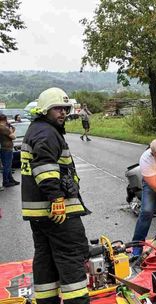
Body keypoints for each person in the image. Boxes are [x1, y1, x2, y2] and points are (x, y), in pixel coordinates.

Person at [21, 87, 90, 304]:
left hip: (39, 213)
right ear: (44, 110)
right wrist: (57, 199)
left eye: (65, 108)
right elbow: (44, 167)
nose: (62, 113)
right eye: (57, 108)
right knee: (71, 256)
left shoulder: (37, 129)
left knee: (46, 259)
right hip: (58, 213)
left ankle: (46, 300)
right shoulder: (47, 133)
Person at [0, 114, 19, 187]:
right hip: (7, 148)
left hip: (3, 148)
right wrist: (12, 131)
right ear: (4, 119)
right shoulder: (3, 128)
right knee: (7, 166)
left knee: (7, 165)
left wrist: (11, 129)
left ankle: (10, 179)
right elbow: (13, 137)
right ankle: (6, 181)